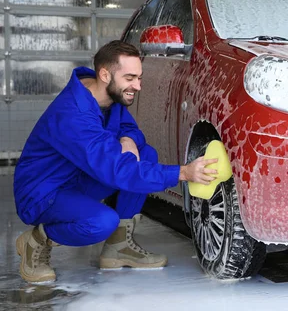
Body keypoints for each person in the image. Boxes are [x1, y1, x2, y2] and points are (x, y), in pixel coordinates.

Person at [13, 40, 218, 283]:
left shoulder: (107, 95)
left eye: (139, 77)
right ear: (104, 74)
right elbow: (118, 170)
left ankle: (118, 247)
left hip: (78, 176)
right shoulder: (73, 115)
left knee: (146, 154)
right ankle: (36, 239)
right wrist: (183, 173)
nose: (138, 86)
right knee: (101, 222)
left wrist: (128, 138)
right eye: (130, 78)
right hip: (43, 192)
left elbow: (129, 128)